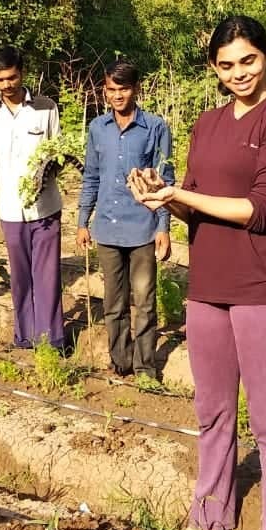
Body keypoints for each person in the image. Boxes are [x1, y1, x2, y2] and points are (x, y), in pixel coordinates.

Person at [128, 16, 266, 530]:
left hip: (265, 287)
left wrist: (183, 192)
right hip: (208, 284)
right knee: (211, 411)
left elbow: (260, 212)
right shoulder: (206, 124)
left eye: (248, 61)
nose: (239, 74)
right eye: (227, 65)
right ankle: (209, 516)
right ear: (214, 68)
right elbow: (198, 206)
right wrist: (164, 199)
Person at [76, 61, 173, 381]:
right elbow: (90, 176)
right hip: (107, 226)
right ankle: (120, 362)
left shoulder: (156, 127)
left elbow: (164, 182)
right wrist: (82, 221)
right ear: (104, 91)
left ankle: (146, 367)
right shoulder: (97, 128)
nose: (118, 96)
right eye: (111, 89)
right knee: (114, 303)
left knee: (144, 301)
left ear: (137, 89)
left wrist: (163, 227)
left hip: (142, 228)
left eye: (124, 89)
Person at [0, 47, 65, 351]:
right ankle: (25, 339)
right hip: (10, 211)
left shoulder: (46, 108)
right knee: (21, 278)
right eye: (0, 79)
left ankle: (52, 343)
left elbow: (57, 155)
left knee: (47, 277)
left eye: (12, 77)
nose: (7, 84)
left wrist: (43, 177)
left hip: (45, 208)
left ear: (22, 73)